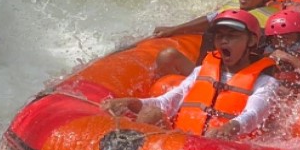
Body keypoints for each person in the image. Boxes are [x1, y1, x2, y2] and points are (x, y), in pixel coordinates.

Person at [102, 10, 278, 140]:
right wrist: (131, 103)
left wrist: (230, 127)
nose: (224, 41)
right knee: (151, 113)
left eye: (233, 36)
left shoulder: (265, 80)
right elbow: (166, 103)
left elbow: (254, 114)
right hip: (184, 143)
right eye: (220, 36)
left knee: (212, 136)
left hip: (224, 147)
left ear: (252, 40)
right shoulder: (202, 71)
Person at [151, 0, 284, 78]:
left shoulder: (272, 22)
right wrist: (173, 29)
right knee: (167, 56)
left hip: (240, 76)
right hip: (206, 73)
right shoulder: (232, 6)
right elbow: (209, 19)